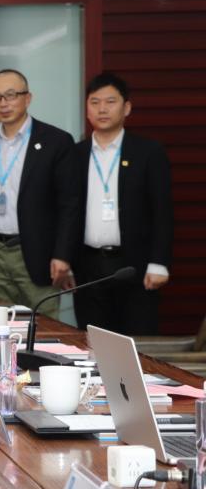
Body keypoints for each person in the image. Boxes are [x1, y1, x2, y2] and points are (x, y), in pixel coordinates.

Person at [73, 72, 173, 334]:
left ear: (126, 107)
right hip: (88, 266)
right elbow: (67, 211)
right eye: (95, 102)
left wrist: (159, 262)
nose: (102, 109)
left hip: (135, 265)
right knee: (92, 342)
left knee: (136, 342)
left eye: (110, 101)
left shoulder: (148, 152)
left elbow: (162, 212)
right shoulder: (76, 153)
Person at [0, 69, 80, 317]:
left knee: (43, 326)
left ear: (28, 98)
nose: (4, 103)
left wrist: (63, 255)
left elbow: (70, 204)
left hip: (37, 253)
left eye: (11, 95)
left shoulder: (56, 141)